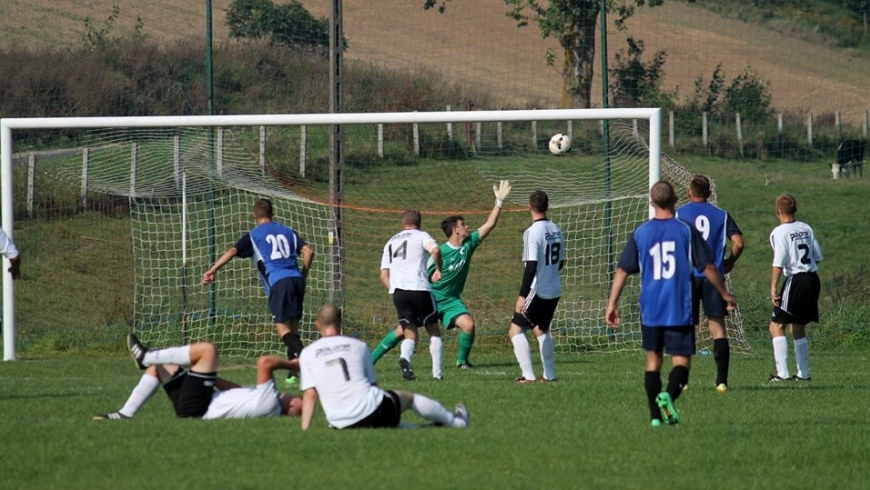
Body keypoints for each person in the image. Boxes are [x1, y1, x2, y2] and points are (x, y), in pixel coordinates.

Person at [606, 181, 737, 427]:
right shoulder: (685, 231)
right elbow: (707, 267)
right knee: (681, 361)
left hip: (651, 307)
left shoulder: (641, 232)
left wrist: (612, 304)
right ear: (676, 199)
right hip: (679, 305)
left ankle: (655, 417)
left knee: (653, 361)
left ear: (651, 202)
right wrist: (724, 292)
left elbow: (623, 270)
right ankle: (669, 396)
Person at [371, 180, 512, 369]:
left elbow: (489, 224)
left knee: (469, 325)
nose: (467, 226)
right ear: (455, 230)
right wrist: (432, 276)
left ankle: (462, 362)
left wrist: (499, 202)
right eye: (463, 224)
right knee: (401, 332)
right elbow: (422, 272)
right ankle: (370, 361)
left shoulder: (469, 244)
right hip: (431, 297)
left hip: (451, 300)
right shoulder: (441, 251)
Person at [299, 304, 468, 430]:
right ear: (341, 322)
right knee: (408, 398)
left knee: (378, 417)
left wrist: (305, 431)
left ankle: (421, 428)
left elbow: (310, 394)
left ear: (317, 325)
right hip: (371, 409)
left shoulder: (307, 353)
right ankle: (456, 422)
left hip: (338, 422)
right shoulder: (358, 346)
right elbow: (373, 386)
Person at [202, 198, 314, 384]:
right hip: (296, 280)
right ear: (273, 213)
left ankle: (307, 361)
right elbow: (308, 251)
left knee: (283, 331)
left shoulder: (254, 234)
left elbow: (231, 251)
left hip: (278, 282)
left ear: (255, 216)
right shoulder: (288, 231)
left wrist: (213, 270)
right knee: (294, 330)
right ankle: (293, 375)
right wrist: (303, 274)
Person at [93, 335, 301, 420]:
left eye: (295, 399)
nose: (292, 394)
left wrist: (293, 364)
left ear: (290, 408)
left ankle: (145, 357)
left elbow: (265, 362)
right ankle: (124, 414)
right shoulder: (264, 400)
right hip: (198, 402)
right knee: (159, 368)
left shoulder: (270, 403)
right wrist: (210, 377)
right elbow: (236, 391)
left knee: (208, 351)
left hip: (198, 405)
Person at [675, 175, 744, 393]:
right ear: (710, 194)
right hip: (713, 277)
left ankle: (682, 381)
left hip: (688, 276)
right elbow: (739, 243)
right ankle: (721, 382)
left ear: (688, 193)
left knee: (686, 328)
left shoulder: (679, 214)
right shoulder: (721, 215)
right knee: (717, 328)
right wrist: (730, 261)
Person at [378, 209, 443, 380]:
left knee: (410, 333)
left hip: (399, 293)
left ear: (403, 223)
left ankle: (405, 358)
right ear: (419, 223)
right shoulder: (421, 236)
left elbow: (383, 275)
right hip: (420, 288)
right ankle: (437, 375)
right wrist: (438, 269)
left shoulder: (391, 241)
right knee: (434, 331)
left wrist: (394, 289)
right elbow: (435, 251)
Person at [509, 190, 565, 384]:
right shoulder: (556, 229)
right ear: (547, 206)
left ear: (529, 206)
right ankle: (549, 375)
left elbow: (531, 265)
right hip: (554, 289)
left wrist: (522, 295)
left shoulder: (532, 232)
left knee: (515, 330)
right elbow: (561, 263)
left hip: (538, 289)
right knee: (541, 329)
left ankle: (528, 375)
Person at [767, 193, 822, 383]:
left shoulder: (779, 232)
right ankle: (803, 374)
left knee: (776, 326)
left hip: (796, 279)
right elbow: (817, 255)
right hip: (813, 278)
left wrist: (773, 287)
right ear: (795, 209)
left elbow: (779, 261)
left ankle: (782, 374)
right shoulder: (806, 228)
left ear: (777, 212)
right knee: (798, 326)